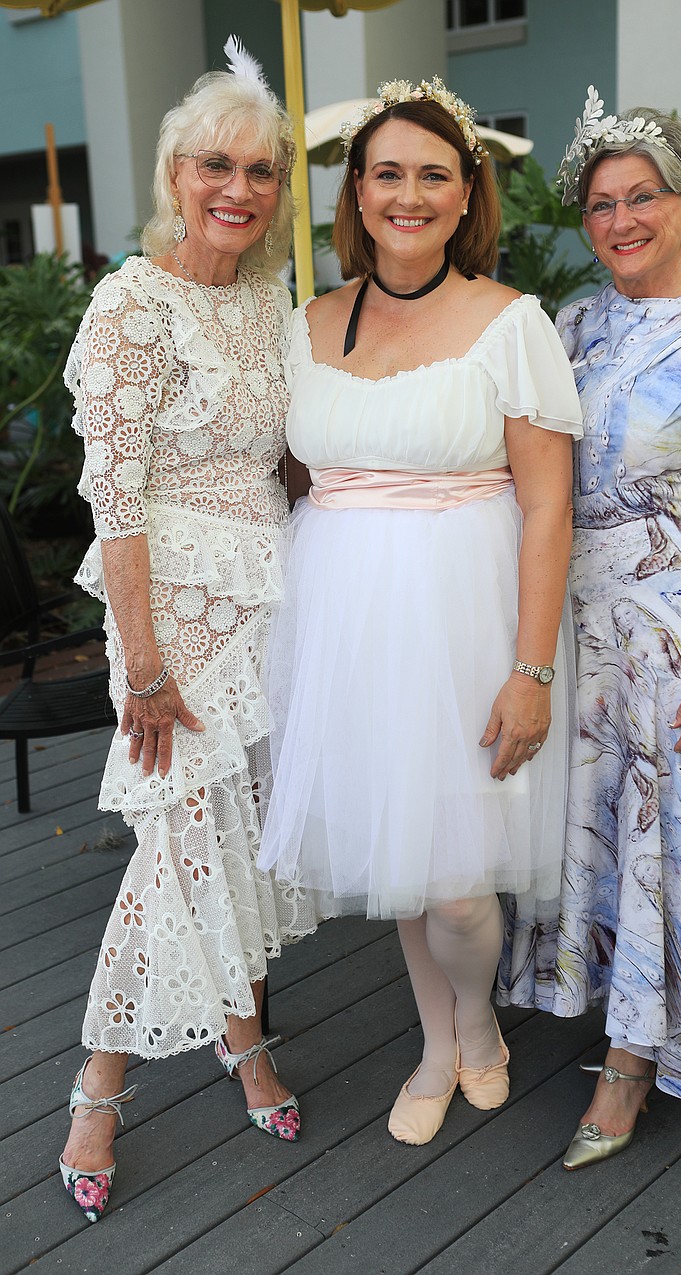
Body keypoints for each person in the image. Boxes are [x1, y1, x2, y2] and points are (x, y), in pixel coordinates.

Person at [258, 78, 582, 1147]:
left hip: (467, 621)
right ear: (357, 190)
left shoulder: (511, 323)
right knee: (402, 850)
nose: (408, 195)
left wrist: (529, 672)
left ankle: (478, 1018)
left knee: (455, 888)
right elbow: (295, 482)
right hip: (348, 623)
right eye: (387, 173)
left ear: (463, 193)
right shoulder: (306, 326)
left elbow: (546, 507)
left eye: (431, 175)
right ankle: (439, 1045)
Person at [499, 87, 681, 1169]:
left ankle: (631, 1069)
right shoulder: (568, 325)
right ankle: (604, 1000)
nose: (618, 221)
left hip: (680, 636)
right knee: (594, 823)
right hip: (581, 627)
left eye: (642, 199)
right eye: (600, 205)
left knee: (665, 834)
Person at [58, 38, 316, 1225]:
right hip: (169, 612)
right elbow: (113, 498)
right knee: (178, 845)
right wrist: (145, 665)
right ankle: (99, 1092)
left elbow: (294, 461)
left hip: (273, 592)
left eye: (261, 171)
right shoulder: (131, 305)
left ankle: (242, 1037)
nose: (239, 189)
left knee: (241, 834)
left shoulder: (273, 302)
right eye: (216, 164)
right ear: (176, 174)